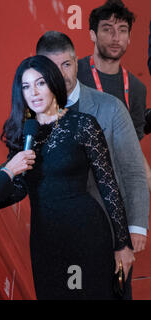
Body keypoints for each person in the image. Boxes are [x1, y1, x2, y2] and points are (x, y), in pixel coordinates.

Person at [0, 55, 134, 299]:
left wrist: (123, 244)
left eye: (40, 83)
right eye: (26, 86)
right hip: (46, 241)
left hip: (85, 234)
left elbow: (108, 185)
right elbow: (16, 188)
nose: (34, 92)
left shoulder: (83, 124)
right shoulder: (22, 134)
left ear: (53, 83)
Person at [35, 31, 149, 297]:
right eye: (52, 67)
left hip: (109, 234)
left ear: (77, 62)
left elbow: (133, 171)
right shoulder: (32, 110)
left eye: (67, 64)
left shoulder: (110, 108)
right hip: (55, 236)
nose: (61, 74)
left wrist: (135, 227)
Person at [77, 0, 151, 193]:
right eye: (108, 29)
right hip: (76, 182)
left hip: (116, 187)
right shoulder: (73, 75)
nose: (116, 37)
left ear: (129, 38)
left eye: (123, 30)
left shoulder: (136, 88)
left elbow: (131, 147)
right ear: (92, 34)